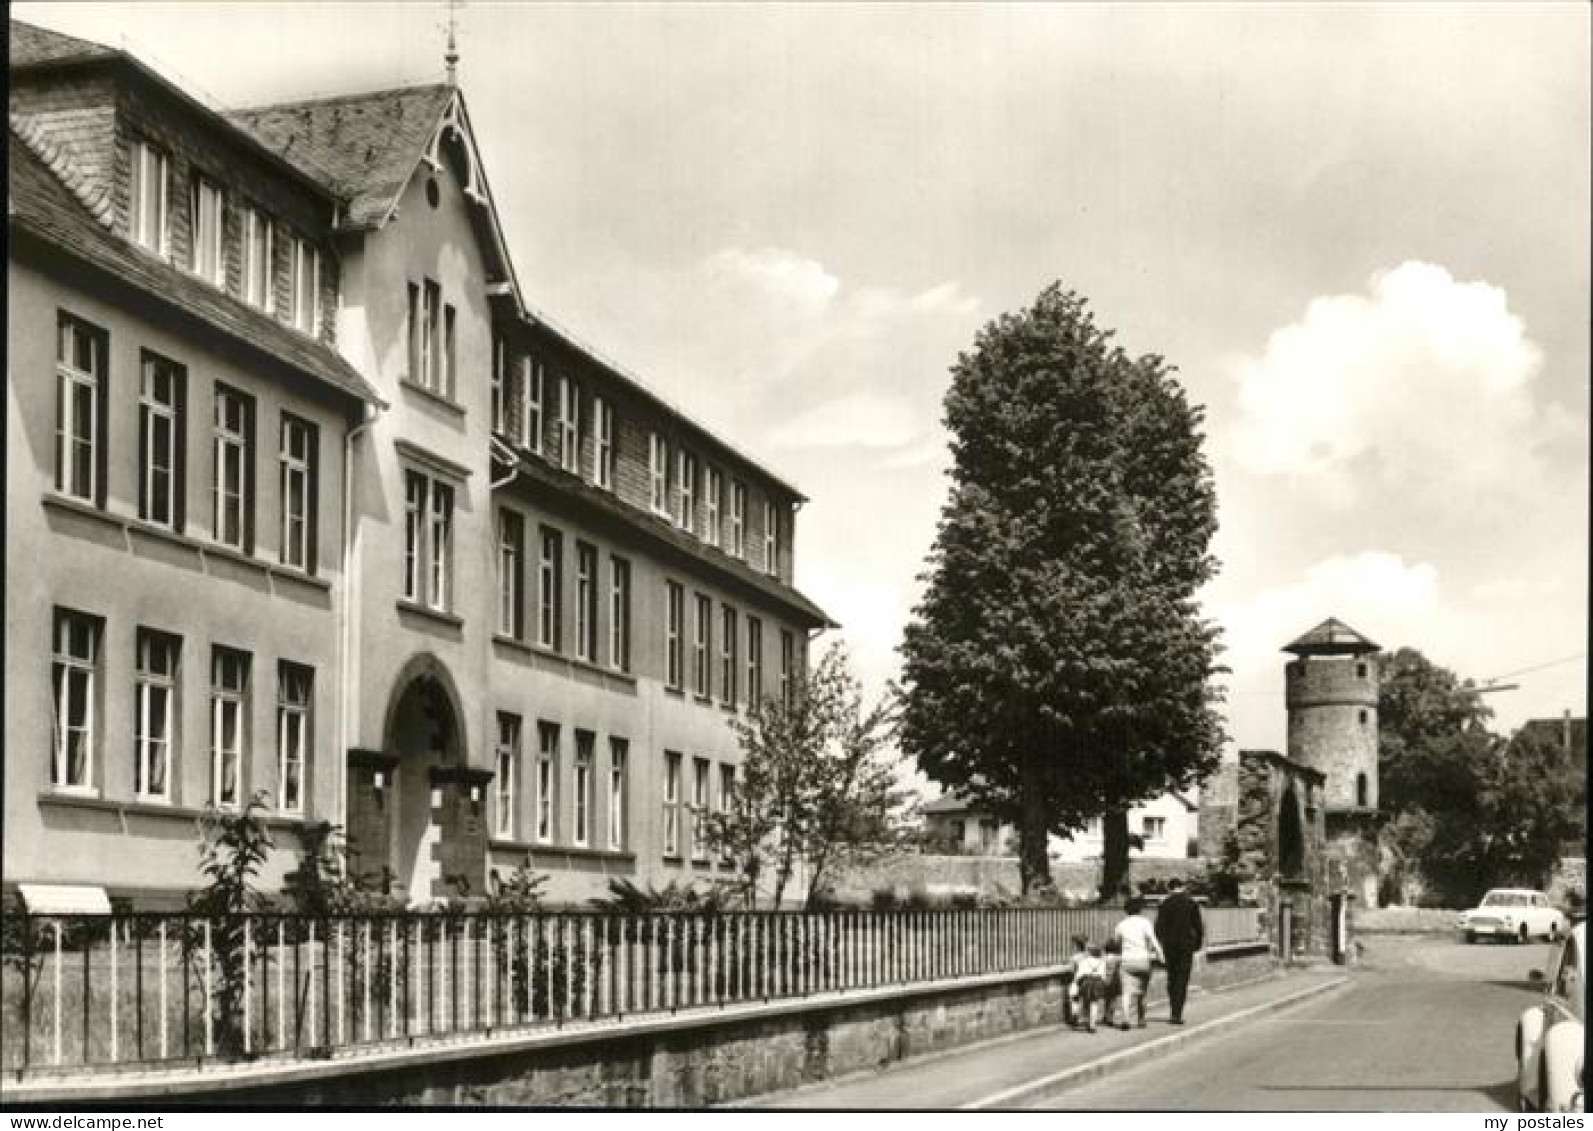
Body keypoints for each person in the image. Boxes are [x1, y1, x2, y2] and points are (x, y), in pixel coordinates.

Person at [1155, 877, 1205, 1025]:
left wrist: (1162, 942)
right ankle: (1177, 1013)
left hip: (1170, 946)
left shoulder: (1165, 904)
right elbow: (1198, 926)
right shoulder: (1191, 903)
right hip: (1186, 945)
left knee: (1172, 978)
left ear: (1169, 888)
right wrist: (1197, 944)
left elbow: (1159, 927)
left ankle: (1172, 1009)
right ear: (1182, 887)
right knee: (1182, 979)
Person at [1112, 895, 1164, 1029]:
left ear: (1126, 910)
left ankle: (1126, 1019)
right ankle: (1141, 1019)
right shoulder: (1145, 922)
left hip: (1127, 960)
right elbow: (1153, 940)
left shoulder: (1121, 925)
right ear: (1139, 910)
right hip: (1143, 960)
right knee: (1142, 991)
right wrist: (1160, 955)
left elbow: (1117, 942)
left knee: (1126, 992)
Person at [1073, 943, 1108, 1033]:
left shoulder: (1084, 961)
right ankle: (1093, 1025)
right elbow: (1103, 976)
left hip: (1086, 982)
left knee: (1086, 1003)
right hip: (1097, 982)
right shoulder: (1102, 962)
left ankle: (1087, 1021)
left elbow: (1079, 974)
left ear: (1090, 952)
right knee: (1094, 1004)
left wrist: (1077, 983)